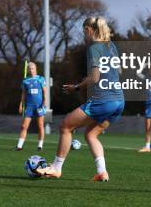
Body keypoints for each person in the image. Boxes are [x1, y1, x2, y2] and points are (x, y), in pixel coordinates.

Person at [37, 17, 124, 182]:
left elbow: (95, 78)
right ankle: (102, 172)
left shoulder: (94, 48)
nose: (84, 35)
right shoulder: (111, 46)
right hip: (118, 101)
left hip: (103, 100)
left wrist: (77, 86)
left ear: (89, 30)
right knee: (91, 134)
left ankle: (56, 168)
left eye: (84, 31)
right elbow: (118, 72)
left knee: (65, 126)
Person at [15, 62, 47, 151]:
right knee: (24, 126)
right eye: (29, 68)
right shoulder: (25, 80)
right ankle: (19, 146)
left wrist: (44, 102)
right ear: (27, 70)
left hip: (39, 105)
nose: (31, 70)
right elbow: (23, 94)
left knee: (40, 125)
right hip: (29, 106)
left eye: (32, 68)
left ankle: (40, 145)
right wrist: (21, 104)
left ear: (35, 69)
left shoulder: (41, 79)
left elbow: (45, 91)